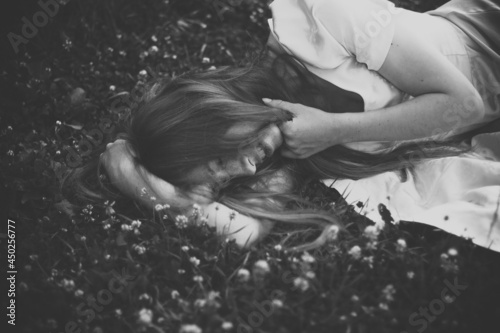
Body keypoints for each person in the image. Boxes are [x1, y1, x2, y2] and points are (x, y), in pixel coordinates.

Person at [77, 0, 500, 251]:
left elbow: (462, 105)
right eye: (224, 182)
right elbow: (242, 231)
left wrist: (335, 129)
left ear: (209, 113)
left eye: (219, 158)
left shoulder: (324, 16)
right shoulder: (289, 148)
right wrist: (134, 179)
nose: (243, 170)